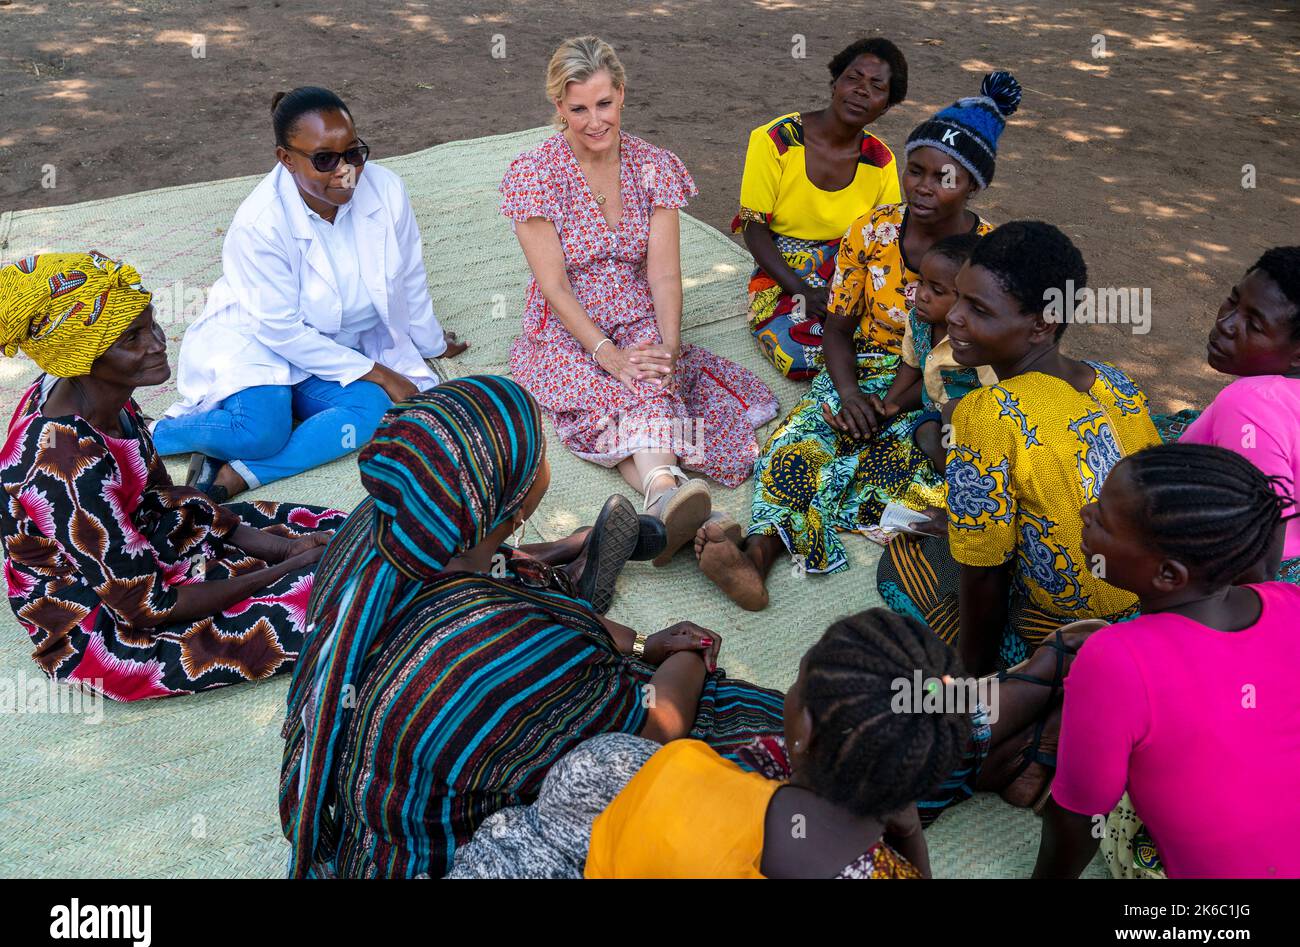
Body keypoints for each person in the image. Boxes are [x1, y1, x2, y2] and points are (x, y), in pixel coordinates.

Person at [279, 376, 784, 878]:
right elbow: (649, 735)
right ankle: (573, 567)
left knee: (521, 590)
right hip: (441, 857)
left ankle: (570, 565)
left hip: (359, 834)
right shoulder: (491, 647)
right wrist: (686, 656)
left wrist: (642, 642)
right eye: (540, 449)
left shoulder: (383, 522)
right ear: (517, 505)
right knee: (759, 767)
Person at [447, 609, 1093, 878]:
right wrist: (909, 836)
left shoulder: (685, 770)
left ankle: (1026, 722)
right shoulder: (879, 869)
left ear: (802, 731)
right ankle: (1027, 726)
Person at [697, 73, 1018, 609]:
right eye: (915, 171)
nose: (922, 186)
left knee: (910, 469)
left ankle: (777, 540)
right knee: (801, 443)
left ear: (972, 186)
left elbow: (978, 361)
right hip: (864, 366)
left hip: (946, 390)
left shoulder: (992, 256)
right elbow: (839, 330)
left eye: (944, 178)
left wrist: (894, 405)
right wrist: (847, 395)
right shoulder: (871, 231)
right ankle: (757, 556)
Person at [0, 253, 343, 700]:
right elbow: (148, 607)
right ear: (83, 357)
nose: (158, 342)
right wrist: (288, 566)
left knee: (334, 534)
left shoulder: (101, 396)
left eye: (151, 323)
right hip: (104, 621)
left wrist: (282, 548)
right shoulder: (61, 465)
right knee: (327, 604)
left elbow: (163, 498)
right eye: (132, 337)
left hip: (140, 548)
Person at [501, 36, 779, 566]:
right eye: (577, 108)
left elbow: (665, 272)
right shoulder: (533, 175)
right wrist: (605, 352)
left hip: (637, 313)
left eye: (603, 104)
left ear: (622, 94)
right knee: (618, 388)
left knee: (651, 378)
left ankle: (659, 500)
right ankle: (672, 494)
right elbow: (554, 286)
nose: (593, 121)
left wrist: (669, 347)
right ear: (558, 107)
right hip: (566, 326)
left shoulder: (654, 166)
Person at [151, 87, 467, 501]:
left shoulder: (387, 190)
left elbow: (409, 275)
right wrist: (380, 372)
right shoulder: (259, 223)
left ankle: (240, 475)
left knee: (375, 412)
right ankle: (151, 434)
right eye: (325, 159)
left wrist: (429, 341)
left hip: (334, 347)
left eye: (354, 153)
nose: (346, 171)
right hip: (260, 341)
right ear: (286, 159)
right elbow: (281, 332)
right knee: (259, 432)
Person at [877, 222, 1162, 675]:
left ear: (1041, 324)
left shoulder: (985, 414)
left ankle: (1028, 664)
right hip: (1152, 600)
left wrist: (976, 679)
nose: (954, 317)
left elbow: (986, 570)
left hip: (1074, 624)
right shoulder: (1114, 380)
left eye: (978, 308)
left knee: (903, 564)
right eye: (960, 296)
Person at [1033, 444, 1300, 878]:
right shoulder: (1291, 602)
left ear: (1168, 575)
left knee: (1083, 656)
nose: (1085, 513)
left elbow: (1078, 816)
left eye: (1102, 519)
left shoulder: (1116, 658)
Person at [736, 37, 907, 380]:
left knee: (900, 327)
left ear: (885, 106)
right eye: (853, 78)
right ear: (834, 83)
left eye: (876, 86)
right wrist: (803, 292)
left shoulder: (879, 160)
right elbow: (753, 228)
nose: (861, 91)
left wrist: (855, 294)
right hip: (783, 267)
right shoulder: (776, 140)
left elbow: (884, 236)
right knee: (800, 353)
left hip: (849, 264)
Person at [1177, 246, 1300, 583]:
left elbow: (1258, 564)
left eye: (1254, 324)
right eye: (1233, 301)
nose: (1226, 323)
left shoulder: (1250, 403)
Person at [884, 233, 997, 474]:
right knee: (924, 431)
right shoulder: (917, 321)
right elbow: (912, 366)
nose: (922, 294)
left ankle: (965, 483)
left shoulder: (977, 343)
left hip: (977, 424)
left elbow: (996, 397)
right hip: (934, 414)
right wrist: (889, 405)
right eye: (922, 282)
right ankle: (951, 473)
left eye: (937, 290)